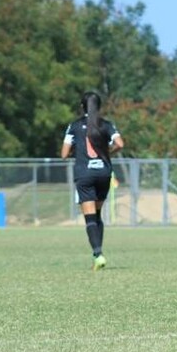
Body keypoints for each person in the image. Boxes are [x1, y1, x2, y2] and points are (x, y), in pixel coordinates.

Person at [60, 91, 124, 270]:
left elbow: (64, 154)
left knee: (89, 218)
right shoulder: (106, 124)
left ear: (82, 107)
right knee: (97, 215)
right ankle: (99, 252)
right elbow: (120, 143)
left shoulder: (74, 126)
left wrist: (77, 152)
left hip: (85, 174)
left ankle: (98, 254)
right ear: (99, 107)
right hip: (104, 172)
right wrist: (107, 153)